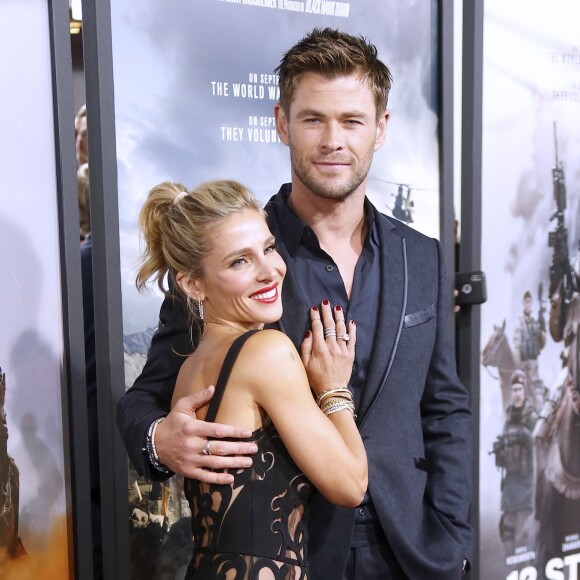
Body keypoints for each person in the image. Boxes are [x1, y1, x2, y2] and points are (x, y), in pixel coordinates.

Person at [117, 28, 473, 578]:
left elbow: (444, 406)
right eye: (314, 119)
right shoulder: (237, 260)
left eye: (352, 120)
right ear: (282, 122)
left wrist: (453, 536)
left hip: (415, 554)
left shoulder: (420, 256)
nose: (334, 140)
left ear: (380, 129)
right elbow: (145, 395)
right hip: (298, 556)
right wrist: (158, 439)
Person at [135, 179, 366, 578]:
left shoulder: (190, 368)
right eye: (239, 261)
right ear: (192, 284)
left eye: (269, 248)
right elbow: (349, 484)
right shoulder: (267, 352)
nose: (271, 271)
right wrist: (332, 387)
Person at [491, 370, 538, 557]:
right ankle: (509, 562)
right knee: (508, 524)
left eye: (520, 389)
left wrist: (525, 436)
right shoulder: (508, 416)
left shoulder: (532, 416)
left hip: (526, 479)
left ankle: (523, 563)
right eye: (514, 389)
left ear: (525, 391)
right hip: (510, 480)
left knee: (523, 525)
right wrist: (500, 450)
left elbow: (541, 443)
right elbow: (505, 445)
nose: (517, 393)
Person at [513, 290, 546, 410]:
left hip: (533, 362)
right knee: (519, 388)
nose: (528, 305)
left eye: (530, 302)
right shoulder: (519, 322)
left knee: (537, 390)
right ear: (523, 304)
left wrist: (543, 329)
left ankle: (540, 411)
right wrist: (518, 363)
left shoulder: (535, 322)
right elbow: (516, 343)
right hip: (523, 363)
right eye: (526, 302)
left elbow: (541, 343)